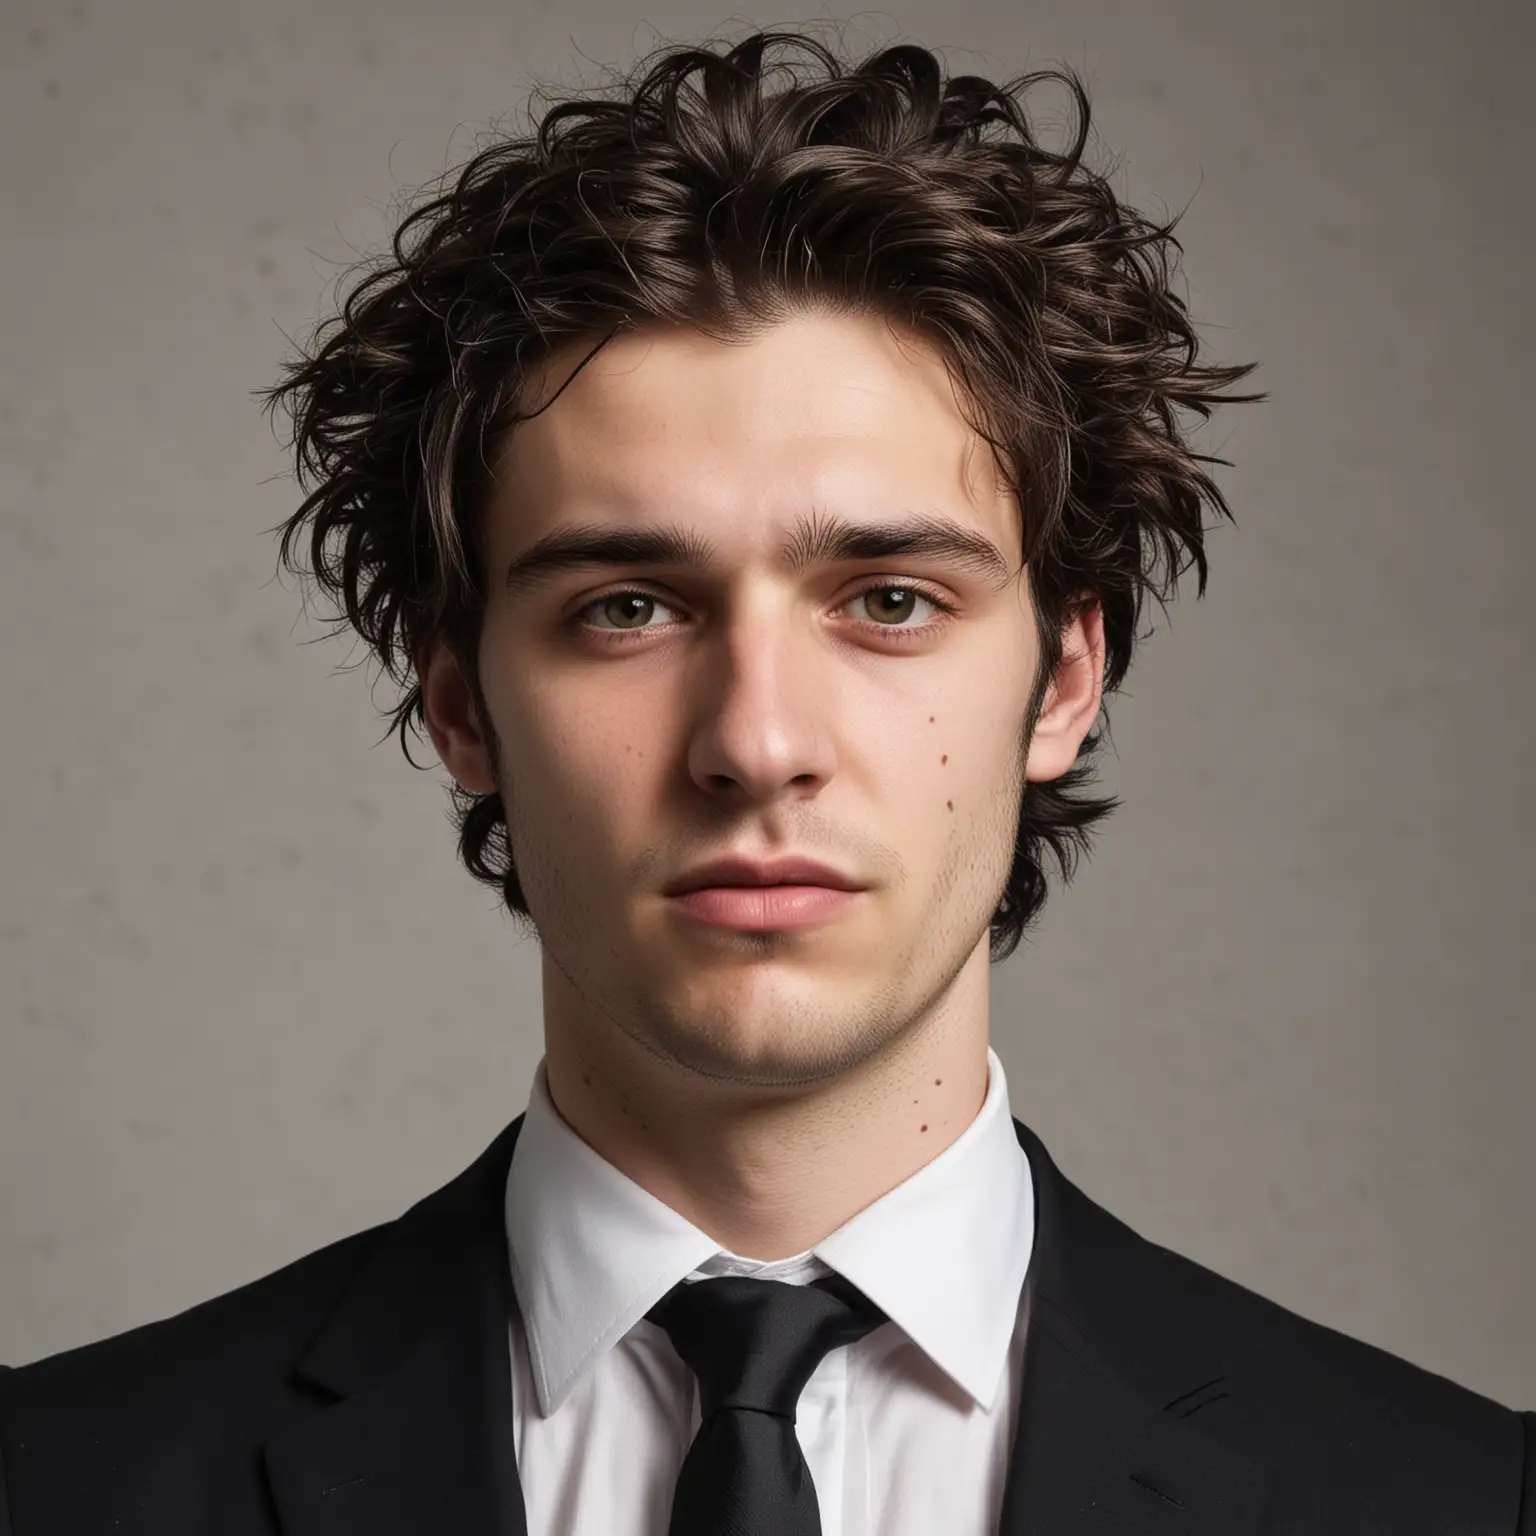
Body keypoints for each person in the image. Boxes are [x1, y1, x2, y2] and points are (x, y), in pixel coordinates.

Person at [1, 26, 1529, 1536]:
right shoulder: (60, 1483)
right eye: (626, 608)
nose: (756, 738)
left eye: (889, 601)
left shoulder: (1456, 1499)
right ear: (461, 702)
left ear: (1065, 680)